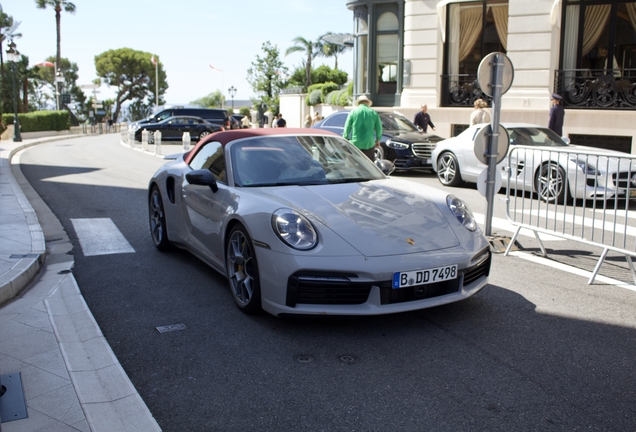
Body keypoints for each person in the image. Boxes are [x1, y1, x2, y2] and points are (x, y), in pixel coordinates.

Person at [342, 95, 382, 160]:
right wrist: (378, 139)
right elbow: (379, 128)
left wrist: (345, 138)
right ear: (367, 103)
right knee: (368, 166)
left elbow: (347, 127)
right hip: (369, 144)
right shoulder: (373, 113)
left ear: (359, 103)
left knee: (353, 165)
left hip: (355, 144)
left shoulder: (353, 112)